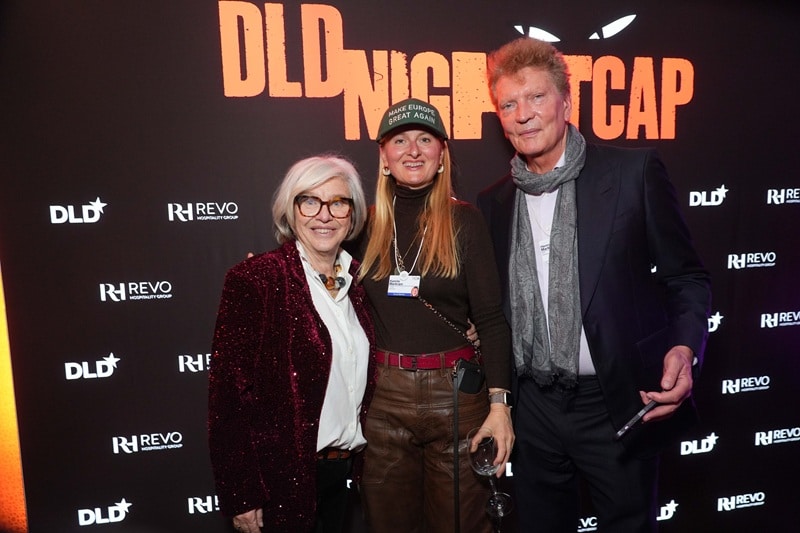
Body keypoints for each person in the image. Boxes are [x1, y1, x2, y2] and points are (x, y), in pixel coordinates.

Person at [477, 38, 712, 532]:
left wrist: (685, 346)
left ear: (565, 102)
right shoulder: (495, 202)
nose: (523, 115)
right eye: (509, 104)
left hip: (615, 401)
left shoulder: (632, 173)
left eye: (536, 97)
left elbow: (687, 277)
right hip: (533, 407)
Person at [356, 97, 514, 533]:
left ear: (442, 155)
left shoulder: (465, 222)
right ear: (383, 157)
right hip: (384, 400)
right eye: (399, 140)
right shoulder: (362, 227)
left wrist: (500, 407)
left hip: (457, 399)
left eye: (425, 140)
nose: (412, 150)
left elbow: (490, 319)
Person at [207, 155, 376, 532]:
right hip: (280, 484)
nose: (325, 215)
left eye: (338, 202)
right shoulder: (257, 280)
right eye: (310, 201)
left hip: (344, 477)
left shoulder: (360, 283)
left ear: (352, 214)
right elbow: (227, 399)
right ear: (291, 209)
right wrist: (242, 493)